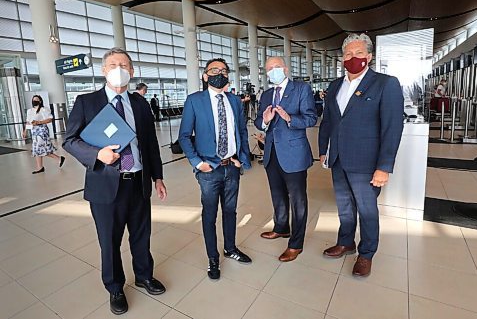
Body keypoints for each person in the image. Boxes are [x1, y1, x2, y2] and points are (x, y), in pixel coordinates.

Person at [63, 47, 167, 315]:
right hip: (106, 185)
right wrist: (97, 153)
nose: (118, 68)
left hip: (138, 182)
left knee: (141, 235)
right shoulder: (86, 102)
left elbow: (151, 144)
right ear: (103, 70)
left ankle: (144, 276)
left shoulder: (140, 103)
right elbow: (70, 140)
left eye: (123, 64)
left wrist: (157, 176)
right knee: (109, 241)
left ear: (131, 72)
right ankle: (115, 287)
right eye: (112, 64)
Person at [318, 33, 404, 277]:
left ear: (369, 56)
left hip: (367, 163)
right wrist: (324, 150)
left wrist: (384, 166)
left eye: (358, 53)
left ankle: (366, 254)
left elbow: (392, 127)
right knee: (344, 207)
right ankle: (346, 242)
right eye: (347, 54)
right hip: (337, 159)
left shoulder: (385, 84)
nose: (352, 58)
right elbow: (329, 122)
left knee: (367, 209)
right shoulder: (335, 86)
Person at [178, 58, 252, 280]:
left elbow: (242, 131)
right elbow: (184, 136)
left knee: (230, 211)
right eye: (214, 70)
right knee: (209, 214)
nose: (220, 73)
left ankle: (230, 248)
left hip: (232, 167)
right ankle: (213, 258)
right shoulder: (194, 101)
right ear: (205, 76)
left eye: (224, 70)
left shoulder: (235, 101)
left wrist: (242, 159)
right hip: (209, 169)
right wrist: (197, 162)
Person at [254, 56, 317, 262]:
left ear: (286, 69)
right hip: (272, 153)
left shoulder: (301, 89)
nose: (272, 71)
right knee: (277, 194)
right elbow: (257, 121)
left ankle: (296, 243)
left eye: (276, 67)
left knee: (297, 200)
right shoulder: (267, 94)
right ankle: (281, 228)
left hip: (294, 154)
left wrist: (289, 118)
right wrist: (264, 121)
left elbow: (311, 117)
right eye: (269, 69)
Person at [23, 95, 65, 174]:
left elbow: (50, 119)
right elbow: (28, 121)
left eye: (36, 100)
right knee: (37, 148)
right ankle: (41, 166)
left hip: (42, 130)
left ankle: (57, 159)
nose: (34, 101)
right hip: (34, 131)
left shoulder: (44, 110)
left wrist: (39, 122)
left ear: (40, 101)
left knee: (40, 147)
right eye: (33, 100)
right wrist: (25, 130)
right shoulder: (30, 111)